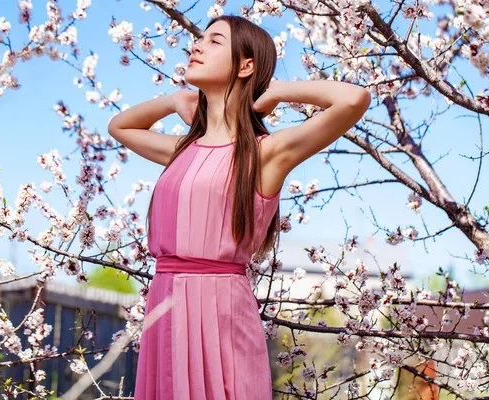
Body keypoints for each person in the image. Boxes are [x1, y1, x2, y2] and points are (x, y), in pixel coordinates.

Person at [107, 14, 370, 400]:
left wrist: (278, 90)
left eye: (214, 41)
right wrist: (174, 100)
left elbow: (354, 98)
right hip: (165, 302)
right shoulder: (182, 150)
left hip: (220, 310)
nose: (196, 46)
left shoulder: (266, 154)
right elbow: (119, 127)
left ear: (246, 65)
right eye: (198, 39)